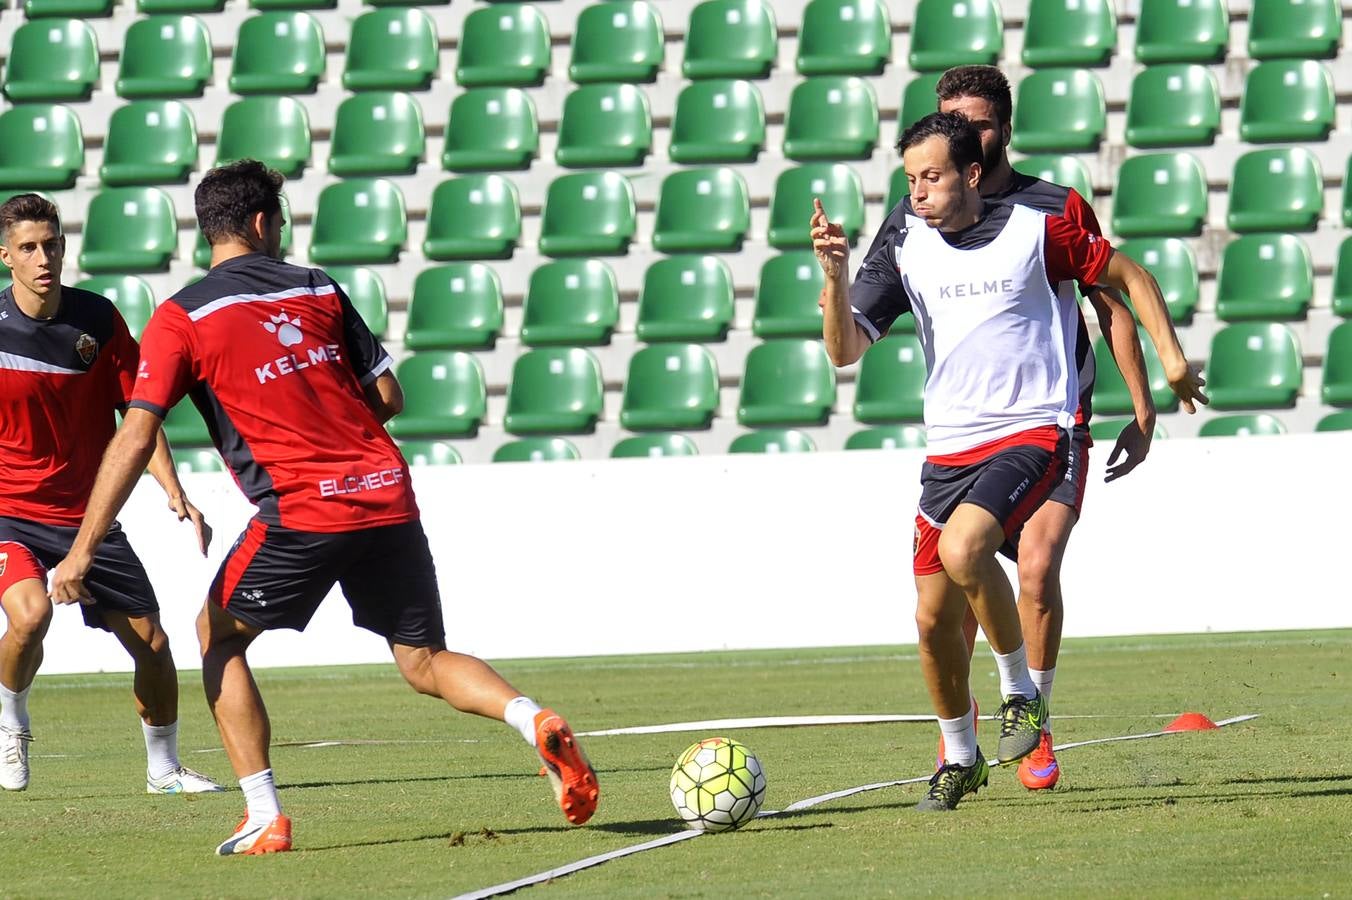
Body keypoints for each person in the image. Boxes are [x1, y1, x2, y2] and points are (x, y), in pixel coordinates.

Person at [49, 160, 599, 855]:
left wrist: (83, 548)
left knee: (218, 640)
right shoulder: (317, 286)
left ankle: (264, 816)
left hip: (304, 508)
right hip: (386, 492)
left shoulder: (182, 316)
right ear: (260, 222)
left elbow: (135, 433)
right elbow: (390, 397)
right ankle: (532, 716)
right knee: (425, 659)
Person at [813, 112, 1199, 811]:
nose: (919, 193)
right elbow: (844, 350)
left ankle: (1021, 692)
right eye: (909, 180)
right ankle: (961, 755)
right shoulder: (907, 243)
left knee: (971, 552)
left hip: (1033, 431)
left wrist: (1169, 364)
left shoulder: (1036, 230)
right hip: (948, 449)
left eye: (931, 177)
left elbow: (1128, 277)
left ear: (969, 174)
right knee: (932, 623)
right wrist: (835, 279)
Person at [0, 193, 222, 795]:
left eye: (52, 244)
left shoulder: (98, 320)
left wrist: (175, 491)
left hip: (86, 517)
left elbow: (139, 418)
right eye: (28, 247)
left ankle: (165, 769)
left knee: (153, 644)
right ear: (6, 257)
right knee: (32, 615)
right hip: (10, 513)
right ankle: (11, 725)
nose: (43, 257)